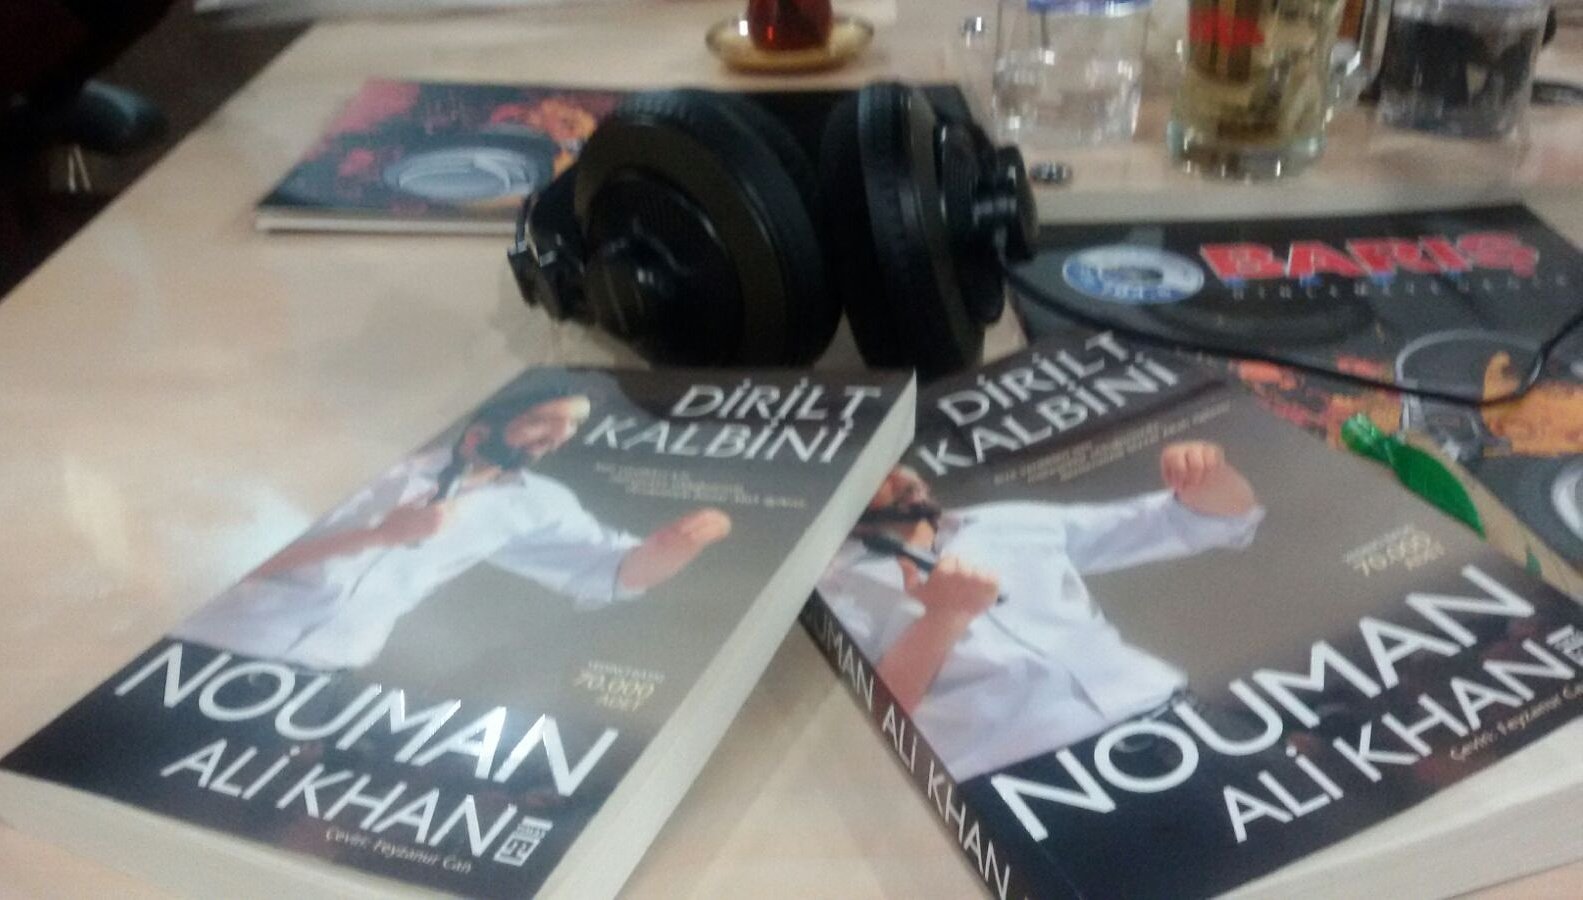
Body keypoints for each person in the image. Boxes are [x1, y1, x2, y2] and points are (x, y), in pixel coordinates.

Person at [174, 376, 731, 670]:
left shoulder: (534, 503)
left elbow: (610, 572)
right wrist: (377, 536)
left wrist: (673, 546)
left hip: (324, 673)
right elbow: (221, 563)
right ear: (487, 420)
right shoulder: (368, 456)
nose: (553, 441)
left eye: (567, 431)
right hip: (213, 644)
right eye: (543, 422)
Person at [817, 441, 1262, 782]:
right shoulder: (836, 590)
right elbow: (865, 723)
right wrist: (942, 619)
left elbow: (1197, 522)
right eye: (872, 474)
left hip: (1163, 709)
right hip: (1028, 771)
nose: (899, 476)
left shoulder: (1006, 521)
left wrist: (1209, 476)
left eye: (895, 461)